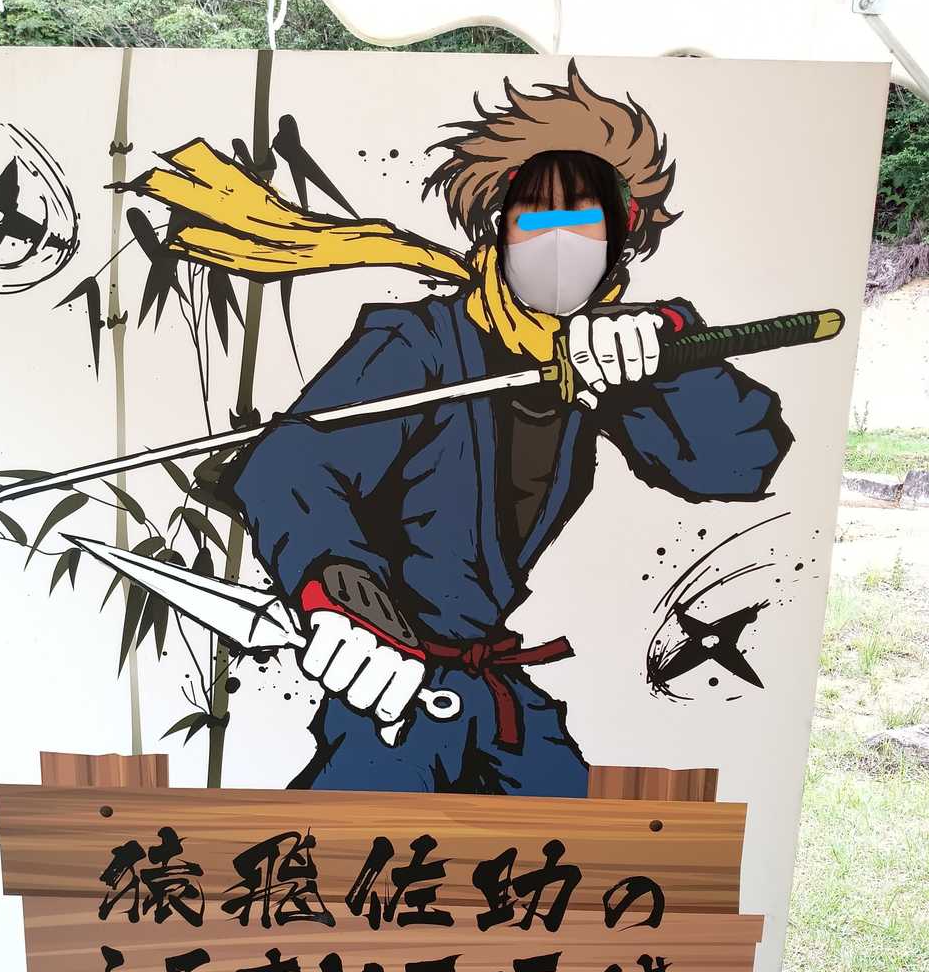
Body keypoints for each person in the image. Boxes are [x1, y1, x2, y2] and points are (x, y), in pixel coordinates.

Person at [229, 139, 792, 795]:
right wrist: (347, 600)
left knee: (575, 832)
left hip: (488, 688)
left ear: (622, 237)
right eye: (536, 218)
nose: (558, 243)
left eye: (583, 222)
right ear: (499, 227)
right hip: (387, 679)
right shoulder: (420, 343)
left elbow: (740, 463)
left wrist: (666, 357)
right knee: (350, 844)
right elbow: (291, 464)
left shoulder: (605, 352)